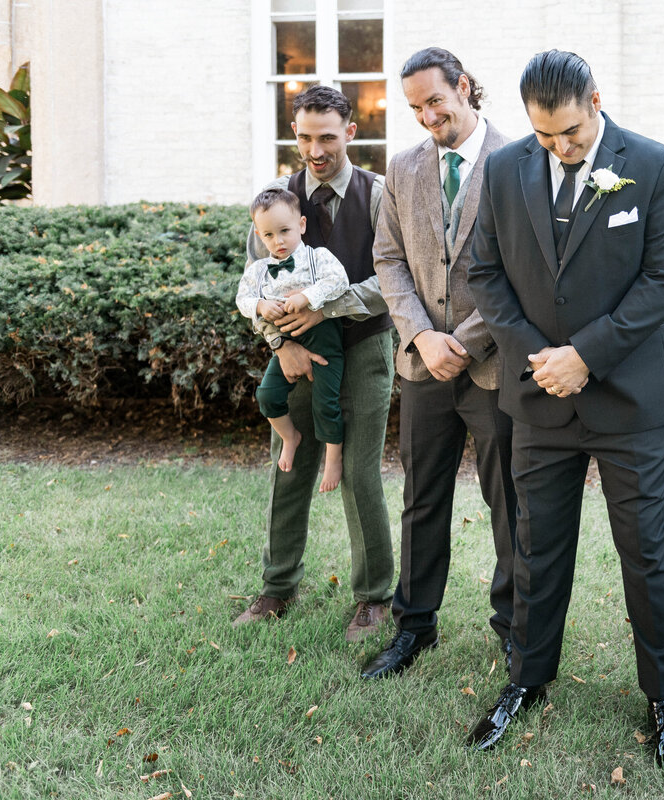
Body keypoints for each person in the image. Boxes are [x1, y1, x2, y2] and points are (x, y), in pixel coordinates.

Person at [466, 50, 664, 773]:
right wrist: (541, 356)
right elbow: (485, 272)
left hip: (630, 396)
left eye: (568, 133)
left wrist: (586, 356)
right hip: (539, 393)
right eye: (544, 136)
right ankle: (526, 680)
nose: (558, 148)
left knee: (648, 552)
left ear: (596, 102)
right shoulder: (504, 169)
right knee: (535, 546)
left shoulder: (655, 166)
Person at [360, 48, 517, 679]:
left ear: (465, 87)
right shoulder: (401, 169)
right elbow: (389, 260)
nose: (428, 116)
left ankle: (515, 629)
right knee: (422, 501)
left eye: (436, 101)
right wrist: (423, 338)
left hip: (495, 366)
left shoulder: (518, 160)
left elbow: (522, 270)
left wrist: (469, 340)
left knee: (508, 501)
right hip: (423, 366)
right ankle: (413, 627)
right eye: (416, 107)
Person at [233, 85, 397, 644]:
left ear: (350, 132)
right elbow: (254, 286)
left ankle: (374, 599)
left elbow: (394, 283)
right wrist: (284, 346)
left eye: (326, 137)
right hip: (297, 354)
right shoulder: (274, 203)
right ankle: (277, 587)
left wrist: (323, 302)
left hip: (367, 347)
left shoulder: (379, 195)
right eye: (304, 137)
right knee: (289, 465)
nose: (315, 149)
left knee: (358, 472)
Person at [237, 188, 349, 493]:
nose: (279, 241)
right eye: (269, 235)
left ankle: (333, 457)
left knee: (325, 404)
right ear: (260, 236)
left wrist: (306, 296)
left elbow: (339, 280)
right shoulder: (259, 271)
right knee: (267, 396)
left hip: (324, 339)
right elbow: (242, 299)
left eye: (285, 231)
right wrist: (260, 305)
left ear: (301, 225)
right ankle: (290, 437)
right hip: (284, 341)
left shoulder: (317, 258)